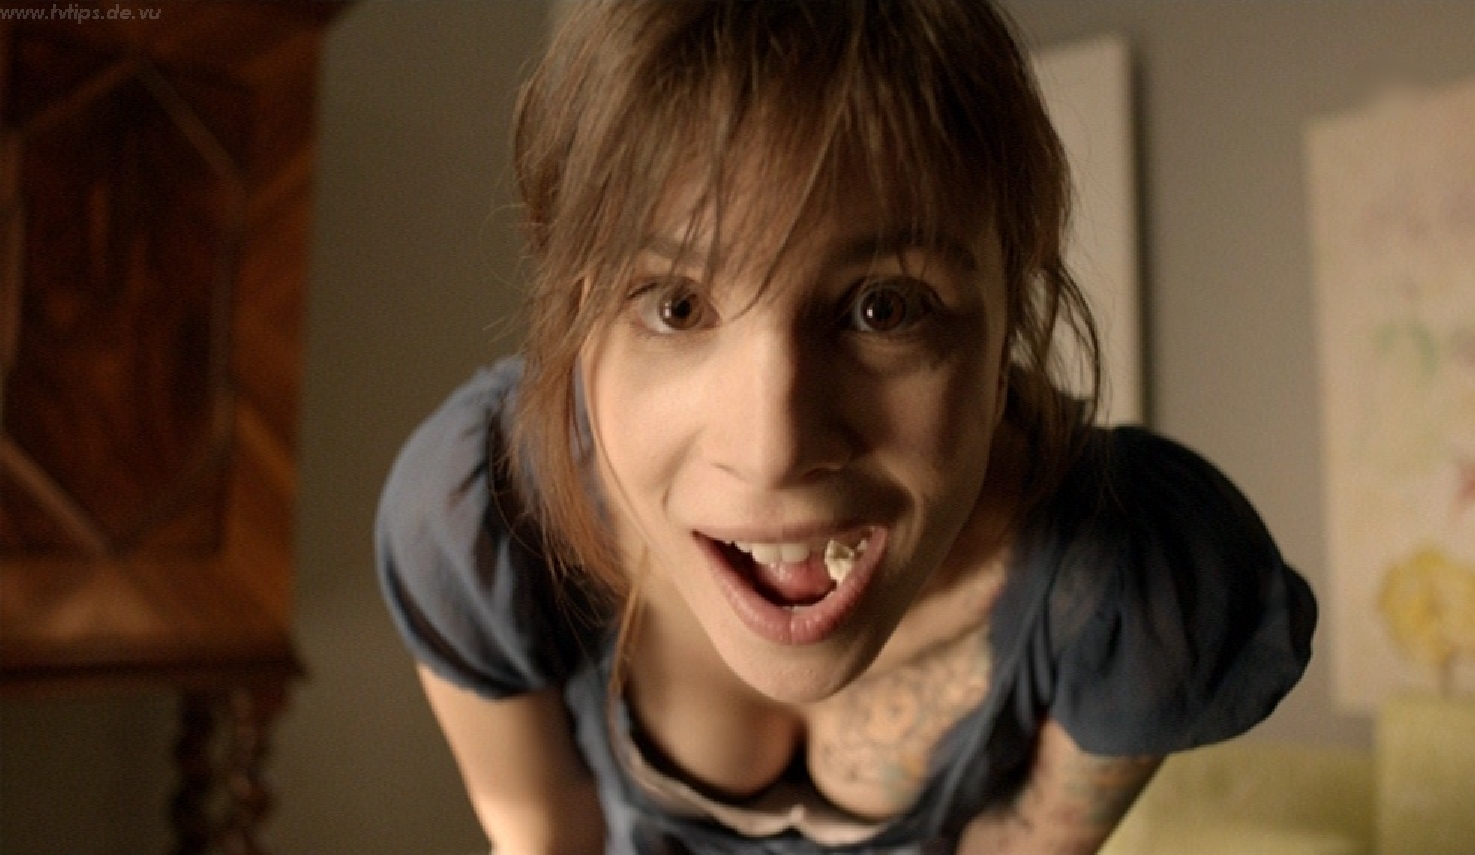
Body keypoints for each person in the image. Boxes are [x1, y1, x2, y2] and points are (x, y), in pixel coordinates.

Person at [376, 1, 1318, 852]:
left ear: (1008, 322)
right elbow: (545, 838)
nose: (773, 450)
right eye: (675, 305)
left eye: (883, 308)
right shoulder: (483, 522)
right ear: (579, 317)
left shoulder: (1134, 591)